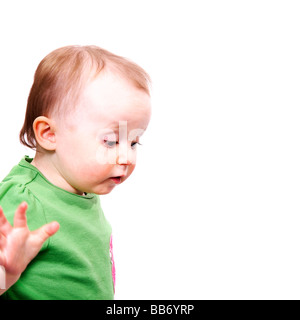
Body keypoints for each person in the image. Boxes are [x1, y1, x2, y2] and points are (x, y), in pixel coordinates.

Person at [0, 45, 151, 299]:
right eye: (111, 141)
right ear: (49, 134)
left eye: (134, 142)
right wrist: (7, 273)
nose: (127, 157)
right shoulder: (25, 200)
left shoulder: (78, 187)